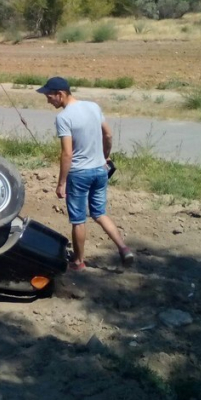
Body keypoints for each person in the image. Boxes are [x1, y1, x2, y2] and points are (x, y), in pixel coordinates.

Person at [37, 76, 134, 271]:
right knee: (100, 213)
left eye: (49, 96)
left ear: (60, 95)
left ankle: (78, 261)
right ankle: (124, 249)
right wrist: (104, 156)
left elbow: (67, 153)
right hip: (100, 171)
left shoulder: (64, 118)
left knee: (78, 219)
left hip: (79, 174)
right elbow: (108, 134)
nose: (48, 100)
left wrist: (61, 183)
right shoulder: (93, 107)